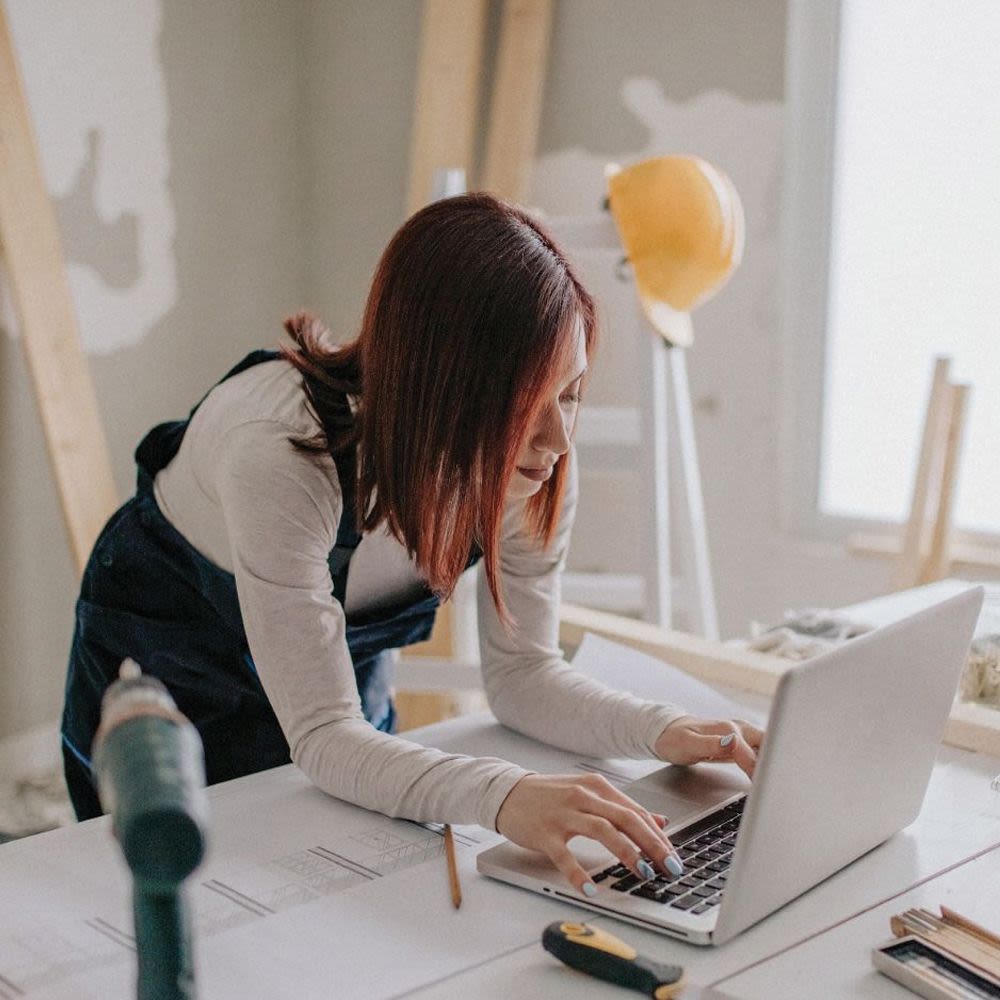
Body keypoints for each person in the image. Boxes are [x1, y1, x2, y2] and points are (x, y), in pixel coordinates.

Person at [61, 192, 762, 895]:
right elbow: (326, 736)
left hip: (329, 686)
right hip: (166, 664)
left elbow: (524, 677)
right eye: (526, 403)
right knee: (167, 895)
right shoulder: (280, 455)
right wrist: (507, 794)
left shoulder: (529, 465)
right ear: (443, 387)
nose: (557, 441)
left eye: (570, 393)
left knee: (341, 889)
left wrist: (669, 731)